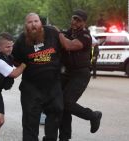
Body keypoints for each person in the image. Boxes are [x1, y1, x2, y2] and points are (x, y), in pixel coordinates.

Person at [12, 13, 63, 141]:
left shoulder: (52, 33)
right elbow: (14, 60)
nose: (33, 24)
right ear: (26, 26)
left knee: (56, 113)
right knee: (30, 121)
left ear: (41, 22)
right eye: (30, 22)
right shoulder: (21, 40)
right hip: (31, 88)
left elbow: (65, 47)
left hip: (53, 86)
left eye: (36, 21)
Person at [57, 9, 102, 141]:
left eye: (79, 20)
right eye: (74, 18)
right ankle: (64, 138)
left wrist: (58, 33)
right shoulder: (68, 32)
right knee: (61, 104)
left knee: (66, 102)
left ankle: (93, 116)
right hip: (67, 73)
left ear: (84, 22)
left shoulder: (85, 36)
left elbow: (69, 45)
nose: (75, 22)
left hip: (81, 74)